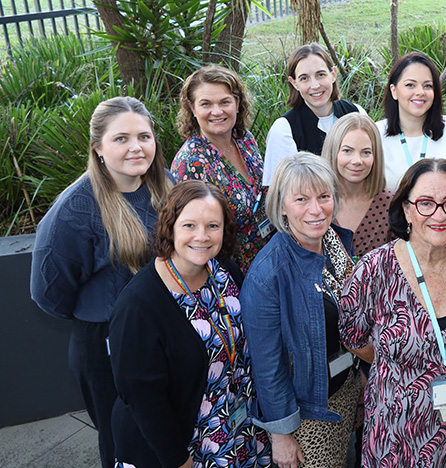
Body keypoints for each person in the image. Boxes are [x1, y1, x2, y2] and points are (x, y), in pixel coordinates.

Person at [30, 96, 172, 468]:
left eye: (144, 136)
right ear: (98, 147)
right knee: (124, 444)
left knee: (165, 435)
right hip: (105, 345)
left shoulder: (164, 185)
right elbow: (49, 292)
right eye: (121, 138)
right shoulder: (75, 210)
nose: (136, 147)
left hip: (162, 333)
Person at [340, 158, 446, 467]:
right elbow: (352, 336)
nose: (439, 215)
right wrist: (403, 366)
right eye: (425, 203)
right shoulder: (374, 271)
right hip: (397, 430)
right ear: (406, 209)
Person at [109, 181, 271, 468]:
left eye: (212, 226)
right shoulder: (139, 305)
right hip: (180, 447)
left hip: (237, 431)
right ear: (169, 227)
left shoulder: (226, 273)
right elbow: (143, 399)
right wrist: (178, 460)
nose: (202, 236)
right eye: (189, 226)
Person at [240, 153, 362, 468]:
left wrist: (360, 378)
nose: (315, 209)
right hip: (307, 416)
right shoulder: (268, 274)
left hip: (344, 390)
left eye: (324, 196)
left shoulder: (334, 241)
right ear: (281, 205)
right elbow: (268, 366)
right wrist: (281, 434)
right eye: (301, 199)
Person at [172, 65, 269, 273]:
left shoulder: (245, 140)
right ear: (192, 108)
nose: (217, 112)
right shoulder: (191, 163)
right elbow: (192, 236)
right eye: (206, 104)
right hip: (228, 274)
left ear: (237, 103)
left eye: (225, 102)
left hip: (267, 261)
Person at [263, 43, 366, 187]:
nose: (315, 85)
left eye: (321, 75)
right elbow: (278, 191)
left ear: (333, 74)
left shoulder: (357, 113)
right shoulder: (284, 130)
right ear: (294, 83)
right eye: (304, 78)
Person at [377, 52, 446, 191]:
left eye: (428, 86)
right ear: (394, 91)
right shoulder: (375, 134)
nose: (420, 92)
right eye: (410, 85)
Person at [322, 113, 393, 258]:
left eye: (366, 152)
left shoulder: (391, 205)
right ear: (333, 152)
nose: (357, 161)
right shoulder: (314, 202)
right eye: (347, 151)